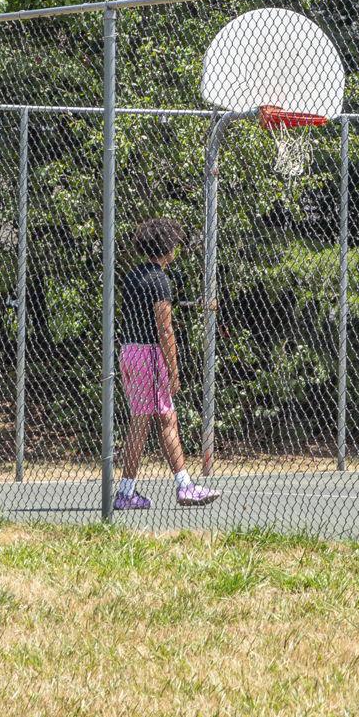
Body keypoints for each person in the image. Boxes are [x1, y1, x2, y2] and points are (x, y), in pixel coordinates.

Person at [116, 217, 219, 509]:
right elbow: (165, 328)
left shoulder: (133, 276)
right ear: (167, 246)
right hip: (149, 354)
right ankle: (175, 487)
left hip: (129, 352)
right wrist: (173, 371)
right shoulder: (160, 280)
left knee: (160, 418)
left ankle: (137, 490)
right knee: (152, 420)